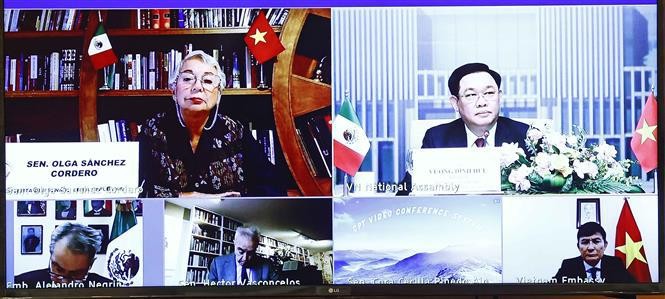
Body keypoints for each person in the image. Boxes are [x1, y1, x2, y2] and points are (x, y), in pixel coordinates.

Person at [138, 50, 285, 198]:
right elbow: (133, 190)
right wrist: (188, 196)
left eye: (207, 81)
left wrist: (235, 200)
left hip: (226, 217)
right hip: (165, 218)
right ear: (174, 91)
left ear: (219, 94)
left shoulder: (235, 132)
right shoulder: (152, 130)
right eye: (188, 79)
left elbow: (272, 187)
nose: (197, 87)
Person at [397, 63, 530, 195]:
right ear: (455, 103)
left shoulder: (525, 136)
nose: (482, 102)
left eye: (489, 93)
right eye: (471, 95)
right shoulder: (437, 138)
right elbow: (405, 194)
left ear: (499, 96)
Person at [14, 223, 112, 287]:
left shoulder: (108, 288)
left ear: (90, 265)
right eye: (59, 270)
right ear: (50, 254)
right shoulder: (19, 283)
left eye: (76, 274)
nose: (65, 284)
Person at [553, 222, 636, 283]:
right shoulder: (568, 266)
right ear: (578, 246)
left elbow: (633, 290)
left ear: (605, 245)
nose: (590, 248)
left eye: (596, 241)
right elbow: (552, 291)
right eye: (585, 242)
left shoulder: (615, 264)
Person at [208, 226, 278, 283]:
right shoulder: (217, 264)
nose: (245, 258)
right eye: (241, 251)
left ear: (256, 247)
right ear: (234, 243)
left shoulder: (267, 265)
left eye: (250, 253)